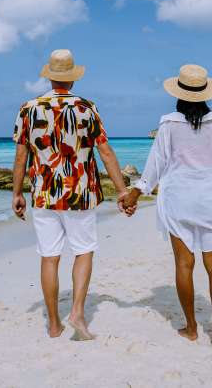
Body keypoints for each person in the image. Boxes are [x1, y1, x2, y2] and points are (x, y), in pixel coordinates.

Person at [11, 49, 128, 340]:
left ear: (50, 77)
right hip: (81, 194)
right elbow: (105, 151)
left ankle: (53, 324)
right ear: (72, 78)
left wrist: (17, 193)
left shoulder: (29, 108)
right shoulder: (87, 108)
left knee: (49, 257)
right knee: (83, 252)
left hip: (43, 195)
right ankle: (76, 312)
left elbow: (21, 156)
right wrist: (123, 190)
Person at [120, 64, 212, 347]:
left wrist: (137, 192)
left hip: (179, 200)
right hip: (211, 198)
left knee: (184, 265)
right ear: (205, 93)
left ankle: (192, 328)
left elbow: (157, 162)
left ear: (180, 93)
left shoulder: (169, 123)